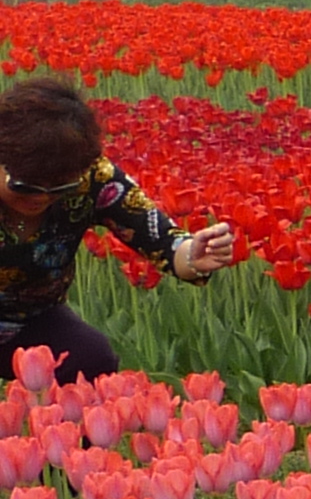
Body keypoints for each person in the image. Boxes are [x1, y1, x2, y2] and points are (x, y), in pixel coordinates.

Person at [0, 79, 234, 383]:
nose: (41, 197)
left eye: (59, 187)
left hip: (33, 319)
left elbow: (162, 240)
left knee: (90, 356)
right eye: (25, 186)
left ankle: (70, 432)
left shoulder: (94, 179)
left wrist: (193, 256)